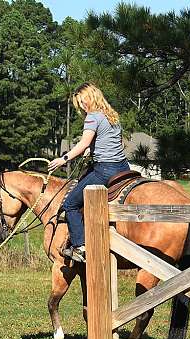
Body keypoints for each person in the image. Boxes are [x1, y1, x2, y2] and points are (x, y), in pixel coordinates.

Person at [48, 82, 130, 262]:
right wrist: (93, 149)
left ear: (91, 97)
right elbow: (112, 141)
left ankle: (80, 246)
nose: (83, 106)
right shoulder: (112, 115)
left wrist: (64, 159)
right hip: (123, 168)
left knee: (70, 204)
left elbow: (83, 142)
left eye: (83, 101)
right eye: (80, 104)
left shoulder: (92, 117)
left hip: (105, 170)